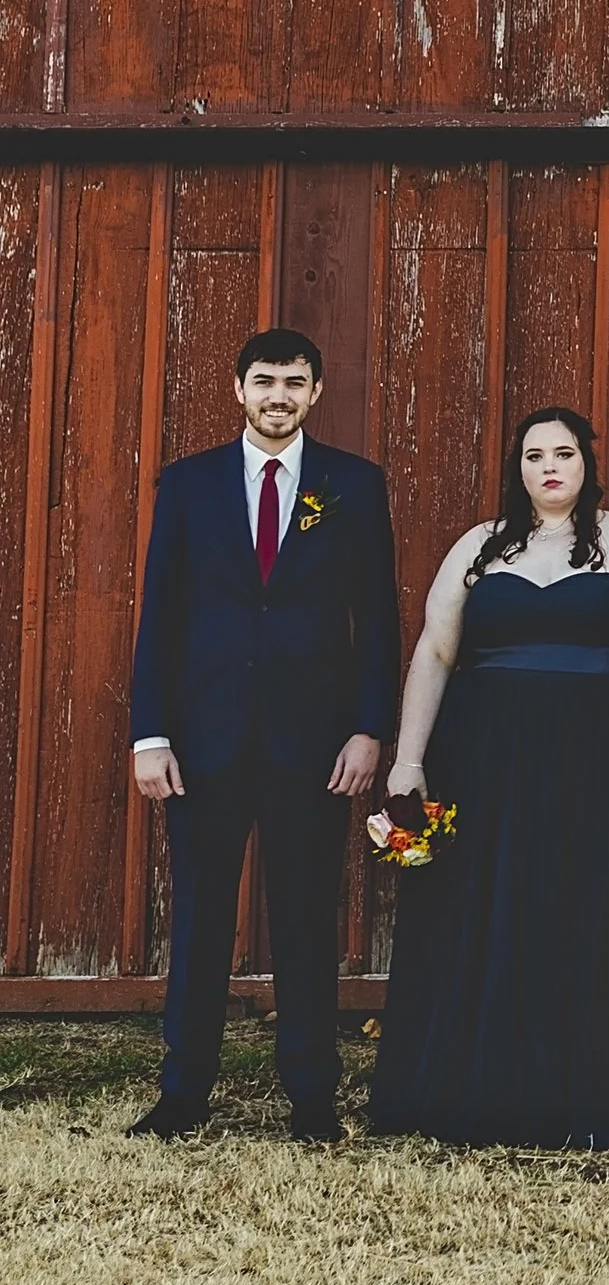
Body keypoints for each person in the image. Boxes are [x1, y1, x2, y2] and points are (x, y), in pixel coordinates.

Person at [367, 406, 609, 1146]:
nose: (548, 467)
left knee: (597, 905)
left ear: (586, 463)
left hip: (605, 764)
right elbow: (434, 652)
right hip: (489, 764)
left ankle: (601, 1086)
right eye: (532, 456)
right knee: (491, 905)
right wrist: (410, 760)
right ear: (516, 468)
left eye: (563, 454)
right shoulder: (480, 547)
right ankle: (485, 1082)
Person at [125, 328, 399, 1143]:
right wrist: (150, 734)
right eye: (264, 380)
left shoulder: (353, 485)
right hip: (203, 746)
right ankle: (182, 1095)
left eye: (295, 382)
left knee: (309, 921)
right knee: (202, 919)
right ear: (238, 388)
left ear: (316, 391)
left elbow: (378, 622)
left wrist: (367, 731)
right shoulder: (189, 483)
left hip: (312, 747)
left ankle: (312, 1098)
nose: (279, 395)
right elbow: (160, 618)